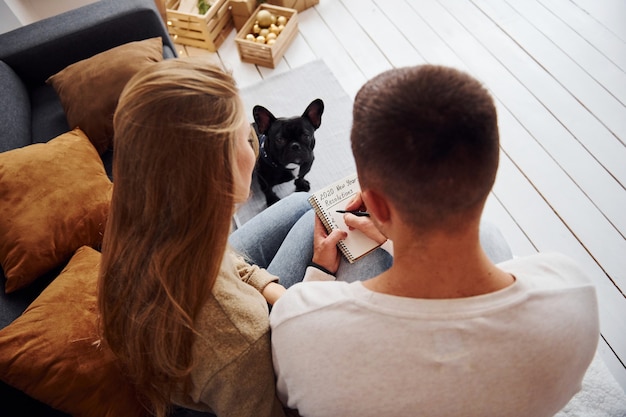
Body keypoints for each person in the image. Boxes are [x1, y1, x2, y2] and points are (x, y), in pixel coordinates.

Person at [269, 65, 600, 417]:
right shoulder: (572, 292)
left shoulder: (301, 322)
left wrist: (319, 272)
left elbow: (288, 398)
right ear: (489, 175)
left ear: (376, 204)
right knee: (490, 235)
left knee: (305, 213)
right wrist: (395, 237)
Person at [97, 57, 312, 417]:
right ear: (219, 174)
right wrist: (317, 278)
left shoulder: (146, 217)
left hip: (208, 309)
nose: (256, 143)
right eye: (246, 137)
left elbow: (225, 262)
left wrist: (277, 292)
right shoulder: (240, 340)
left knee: (307, 204)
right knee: (358, 250)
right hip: (234, 352)